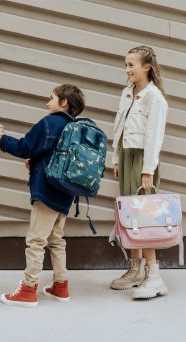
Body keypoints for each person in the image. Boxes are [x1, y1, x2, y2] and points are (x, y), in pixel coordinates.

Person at [0, 84, 85, 307]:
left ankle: (28, 289)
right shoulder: (74, 127)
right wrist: (37, 160)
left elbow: (25, 147)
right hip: (65, 193)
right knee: (56, 240)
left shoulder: (50, 123)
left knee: (35, 241)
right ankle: (61, 286)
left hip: (47, 191)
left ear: (64, 103)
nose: (47, 103)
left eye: (51, 98)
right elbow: (52, 154)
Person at [110, 46, 168, 299]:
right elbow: (119, 128)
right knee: (129, 216)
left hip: (143, 160)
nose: (127, 69)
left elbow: (155, 136)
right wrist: (115, 158)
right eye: (126, 64)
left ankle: (154, 277)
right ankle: (136, 269)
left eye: (131, 65)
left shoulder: (155, 97)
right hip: (127, 155)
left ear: (147, 67)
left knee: (144, 219)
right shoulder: (127, 93)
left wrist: (148, 169)